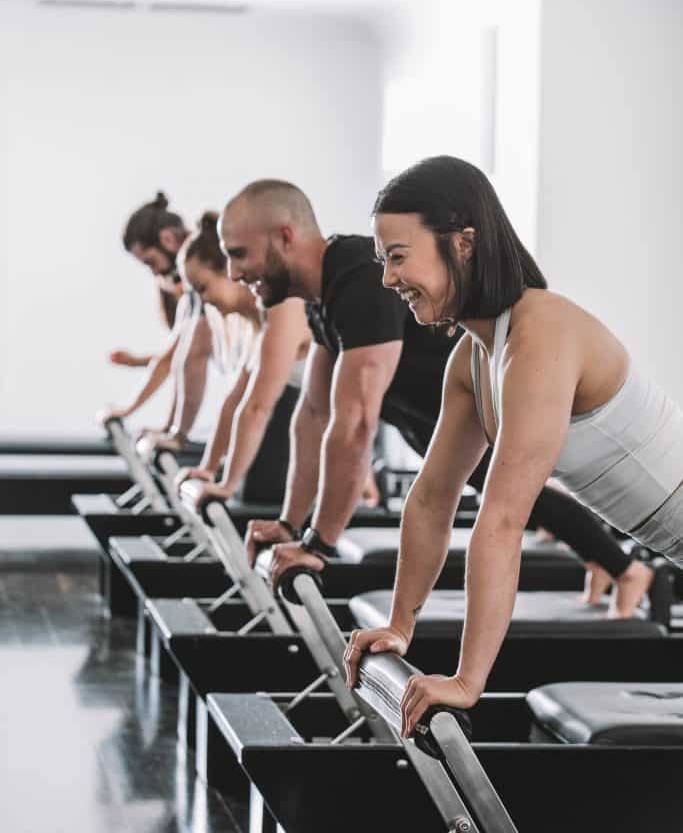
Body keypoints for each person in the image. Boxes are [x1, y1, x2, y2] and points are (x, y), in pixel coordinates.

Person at [344, 155, 683, 735]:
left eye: (398, 257)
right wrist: (401, 624)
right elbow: (432, 498)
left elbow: (501, 522)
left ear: (464, 243)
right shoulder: (474, 358)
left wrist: (467, 681)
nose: (387, 280)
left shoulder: (540, 335)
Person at [220, 179, 652, 613]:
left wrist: (317, 546)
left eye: (238, 254)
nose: (234, 274)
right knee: (523, 500)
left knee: (525, 501)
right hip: (429, 421)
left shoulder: (354, 276)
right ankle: (610, 561)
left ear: (285, 236)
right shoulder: (323, 296)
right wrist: (289, 525)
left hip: (486, 411)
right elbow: (313, 415)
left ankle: (626, 568)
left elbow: (354, 425)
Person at [174, 212, 311, 505]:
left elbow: (257, 408)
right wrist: (207, 470)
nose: (205, 301)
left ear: (228, 271)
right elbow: (237, 400)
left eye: (203, 288)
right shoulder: (261, 319)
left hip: (299, 442)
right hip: (285, 439)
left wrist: (226, 485)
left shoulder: (283, 306)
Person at [98, 192, 212, 447]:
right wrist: (170, 429)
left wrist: (176, 434)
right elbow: (179, 357)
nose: (155, 272)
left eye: (151, 261)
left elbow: (185, 358)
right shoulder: (192, 288)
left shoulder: (204, 276)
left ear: (168, 239)